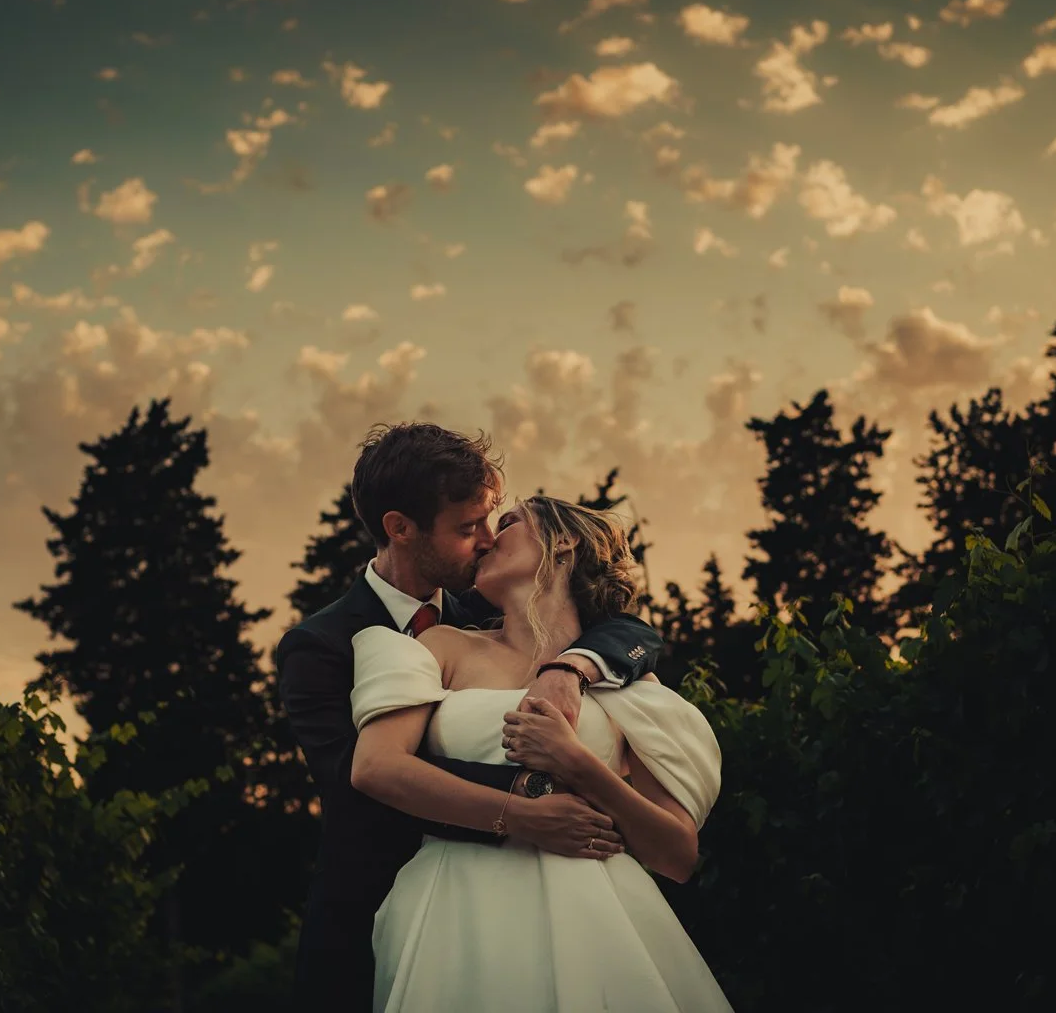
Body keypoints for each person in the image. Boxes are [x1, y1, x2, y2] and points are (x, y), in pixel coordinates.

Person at [276, 423, 665, 1012]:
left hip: (527, 913)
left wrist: (573, 665)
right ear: (400, 529)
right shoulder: (321, 645)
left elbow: (631, 628)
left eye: (491, 519)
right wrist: (532, 799)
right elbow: (362, 787)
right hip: (374, 917)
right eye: (468, 528)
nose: (488, 539)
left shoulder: (490, 602)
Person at [350, 494, 731, 1011]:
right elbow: (377, 767)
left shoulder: (627, 682)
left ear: (565, 541)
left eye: (507, 523)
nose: (486, 539)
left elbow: (677, 856)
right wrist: (520, 815)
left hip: (597, 917)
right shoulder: (442, 646)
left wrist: (577, 763)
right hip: (454, 906)